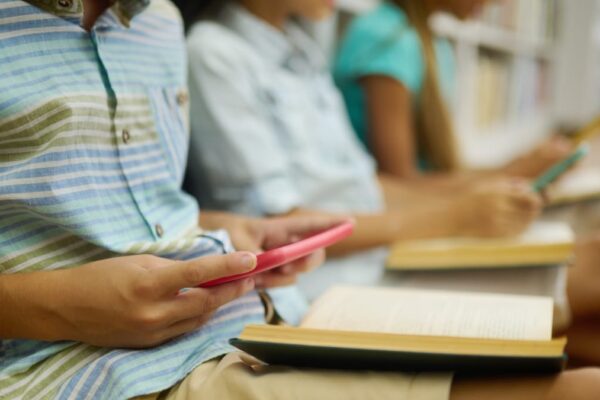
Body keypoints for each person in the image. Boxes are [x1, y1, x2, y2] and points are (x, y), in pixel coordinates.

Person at [2, 1, 600, 399]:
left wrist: (233, 227)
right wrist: (456, 210)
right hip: (111, 362)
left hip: (256, 314)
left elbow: (141, 210)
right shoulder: (216, 49)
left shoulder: (160, 24)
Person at [180, 0, 543, 301]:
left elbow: (366, 183)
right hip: (325, 287)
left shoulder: (303, 54)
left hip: (376, 259)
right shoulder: (214, 53)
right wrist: (454, 216)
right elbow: (278, 226)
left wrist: (475, 200)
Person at [334, 0, 572, 185]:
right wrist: (510, 174)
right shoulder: (385, 38)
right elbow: (400, 185)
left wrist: (518, 168)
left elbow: (437, 173)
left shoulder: (435, 46)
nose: (501, 2)